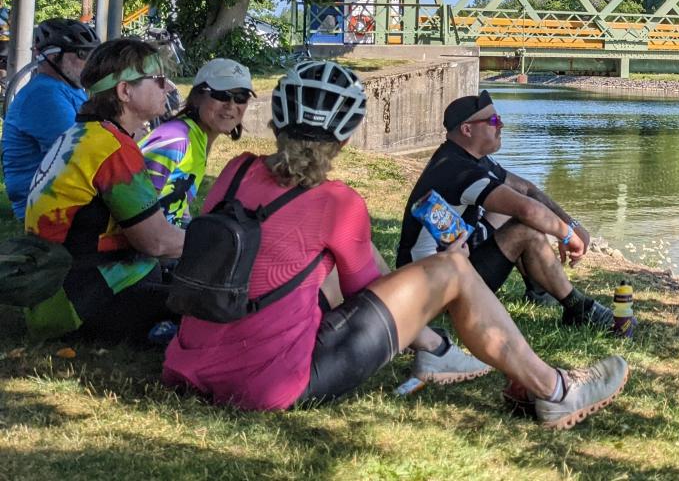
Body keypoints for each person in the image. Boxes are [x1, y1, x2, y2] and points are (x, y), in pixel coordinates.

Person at [162, 60, 628, 425]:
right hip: (269, 383)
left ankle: (445, 356)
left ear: (277, 122)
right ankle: (554, 390)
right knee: (453, 269)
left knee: (332, 265)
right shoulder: (337, 203)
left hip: (189, 365)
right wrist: (442, 288)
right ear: (344, 138)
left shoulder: (236, 170)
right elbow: (373, 295)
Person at [395, 92, 612, 329]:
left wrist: (572, 225)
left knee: (511, 211)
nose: (502, 125)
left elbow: (526, 190)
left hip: (448, 265)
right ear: (467, 130)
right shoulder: (459, 171)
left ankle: (539, 289)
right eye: (494, 122)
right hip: (432, 288)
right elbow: (528, 210)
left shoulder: (470, 159)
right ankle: (579, 309)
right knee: (524, 228)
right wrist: (568, 237)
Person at [23, 38, 186, 340]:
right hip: (81, 303)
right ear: (125, 91)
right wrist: (215, 242)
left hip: (49, 298)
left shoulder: (82, 134)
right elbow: (157, 243)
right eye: (159, 80)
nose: (168, 87)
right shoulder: (112, 148)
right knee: (210, 301)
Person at [2, 19, 98, 219]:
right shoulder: (43, 95)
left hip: (65, 194)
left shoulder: (71, 88)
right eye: (82, 55)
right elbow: (83, 153)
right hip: (46, 209)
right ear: (54, 57)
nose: (90, 63)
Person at [140, 58, 254, 225]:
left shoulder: (197, 140)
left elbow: (178, 207)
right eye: (221, 95)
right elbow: (137, 209)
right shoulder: (175, 140)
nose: (231, 105)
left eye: (241, 97)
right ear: (196, 97)